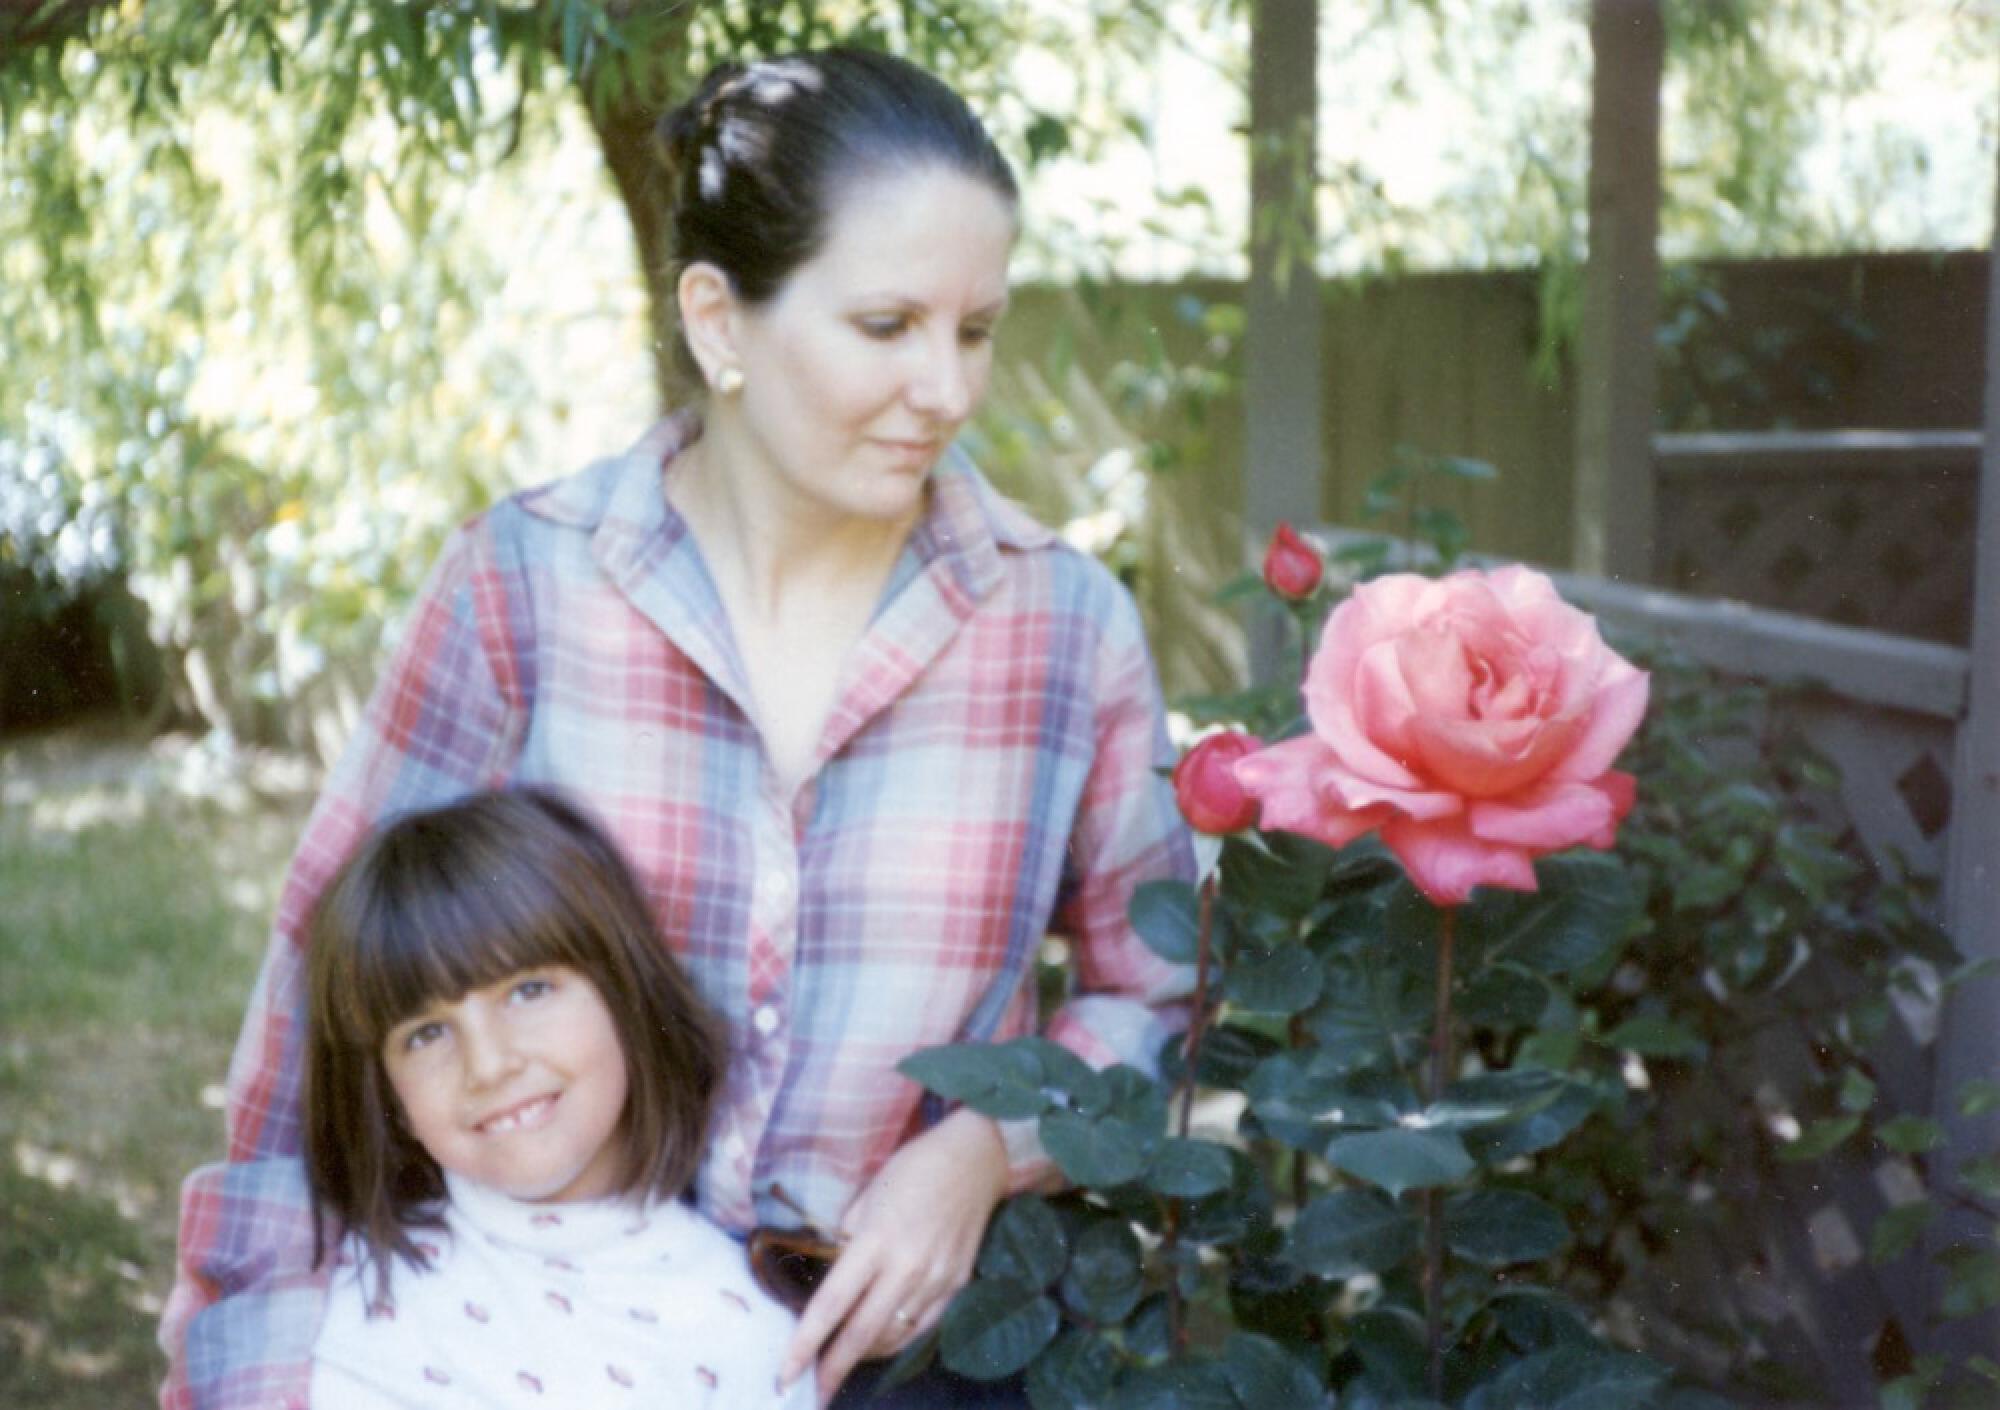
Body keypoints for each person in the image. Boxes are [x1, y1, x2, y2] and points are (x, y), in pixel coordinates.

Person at [161, 44, 1194, 1409]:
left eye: (977, 328)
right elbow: (321, 993)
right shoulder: (521, 583)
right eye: (887, 326)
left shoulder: (1062, 627)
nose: (947, 387)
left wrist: (988, 1148)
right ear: (718, 320)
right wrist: (247, 1352)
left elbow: (1159, 993)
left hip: (916, 1362)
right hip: (525, 1334)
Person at [301, 787, 811, 1408]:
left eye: (528, 991)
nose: (488, 1065)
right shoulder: (353, 1292)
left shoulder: (748, 1334)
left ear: (627, 996)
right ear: (388, 1096)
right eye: (427, 1034)